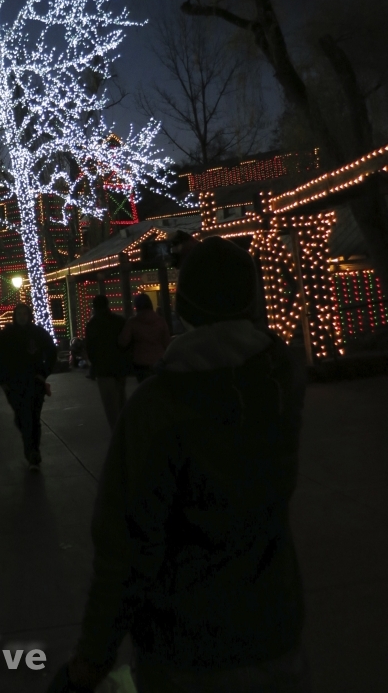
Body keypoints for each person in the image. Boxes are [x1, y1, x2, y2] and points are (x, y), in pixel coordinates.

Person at [48, 236, 310, 693]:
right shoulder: (282, 380)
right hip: (276, 626)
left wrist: (91, 659)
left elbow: (124, 547)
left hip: (186, 647)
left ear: (186, 305)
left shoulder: (157, 410)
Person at [0, 303, 56, 470]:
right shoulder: (6, 335)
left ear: (28, 315)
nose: (22, 317)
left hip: (34, 383)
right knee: (22, 418)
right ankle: (31, 449)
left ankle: (33, 453)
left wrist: (43, 373)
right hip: (14, 385)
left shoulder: (37, 333)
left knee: (33, 419)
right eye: (19, 314)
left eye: (24, 314)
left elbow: (51, 351)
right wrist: (3, 381)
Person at [84, 294, 127, 430]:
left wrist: (94, 363)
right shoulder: (119, 321)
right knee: (121, 399)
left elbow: (90, 349)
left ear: (94, 307)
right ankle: (125, 426)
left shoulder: (92, 324)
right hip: (119, 366)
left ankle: (117, 432)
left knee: (110, 404)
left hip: (103, 368)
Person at [118, 292, 171, 385]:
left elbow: (123, 341)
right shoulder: (160, 321)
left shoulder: (133, 322)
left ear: (136, 306)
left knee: (145, 388)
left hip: (140, 361)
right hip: (159, 359)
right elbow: (167, 342)